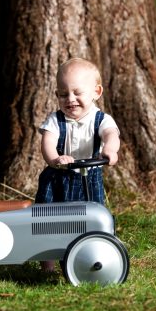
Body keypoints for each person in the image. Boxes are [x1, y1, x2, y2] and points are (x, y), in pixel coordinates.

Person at [36, 57, 120, 272]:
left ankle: (97, 252)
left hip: (89, 178)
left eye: (77, 92)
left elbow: (111, 134)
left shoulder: (101, 119)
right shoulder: (55, 120)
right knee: (47, 220)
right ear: (57, 95)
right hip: (58, 177)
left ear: (96, 92)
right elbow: (48, 143)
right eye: (63, 94)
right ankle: (47, 262)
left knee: (95, 216)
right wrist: (56, 159)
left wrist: (110, 150)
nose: (70, 99)